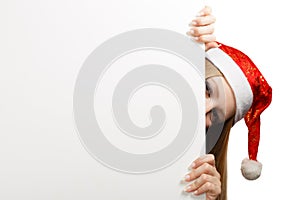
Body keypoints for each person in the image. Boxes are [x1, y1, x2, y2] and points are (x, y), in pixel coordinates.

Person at [183, 6, 272, 200]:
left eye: (214, 115)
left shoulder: (196, 175)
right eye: (207, 90)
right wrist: (186, 32)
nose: (203, 109)